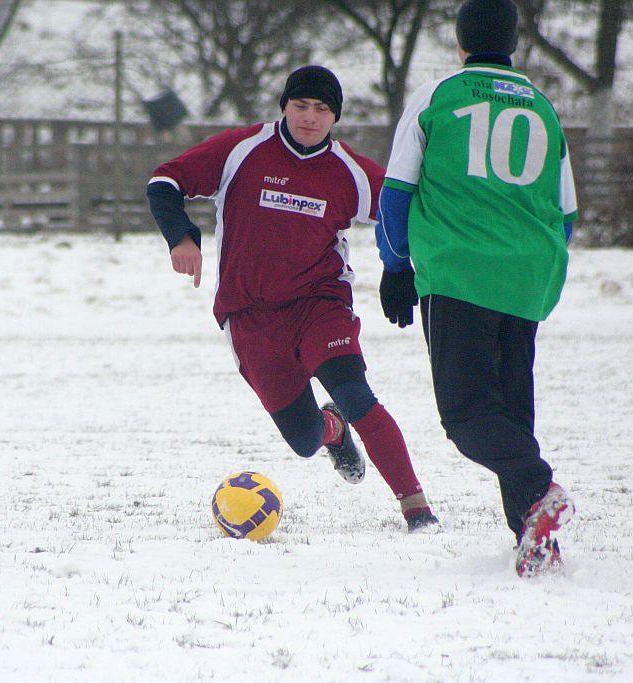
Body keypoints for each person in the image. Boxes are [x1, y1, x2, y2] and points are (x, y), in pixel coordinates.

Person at [147, 65, 438, 532]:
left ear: (334, 117)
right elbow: (164, 182)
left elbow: (410, 210)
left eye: (322, 109)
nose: (310, 118)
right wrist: (181, 236)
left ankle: (416, 508)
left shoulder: (350, 171)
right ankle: (332, 430)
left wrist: (400, 267)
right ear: (284, 106)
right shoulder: (242, 150)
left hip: (319, 304)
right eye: (301, 106)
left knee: (357, 394)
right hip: (249, 315)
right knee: (304, 440)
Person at [375, 0, 577, 575]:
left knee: (465, 417)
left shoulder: (440, 96)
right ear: (512, 41)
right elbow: (566, 214)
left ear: (460, 41)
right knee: (512, 416)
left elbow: (396, 192)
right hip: (528, 278)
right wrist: (535, 263)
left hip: (460, 273)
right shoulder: (542, 107)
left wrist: (396, 267)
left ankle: (541, 491)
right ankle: (535, 539)